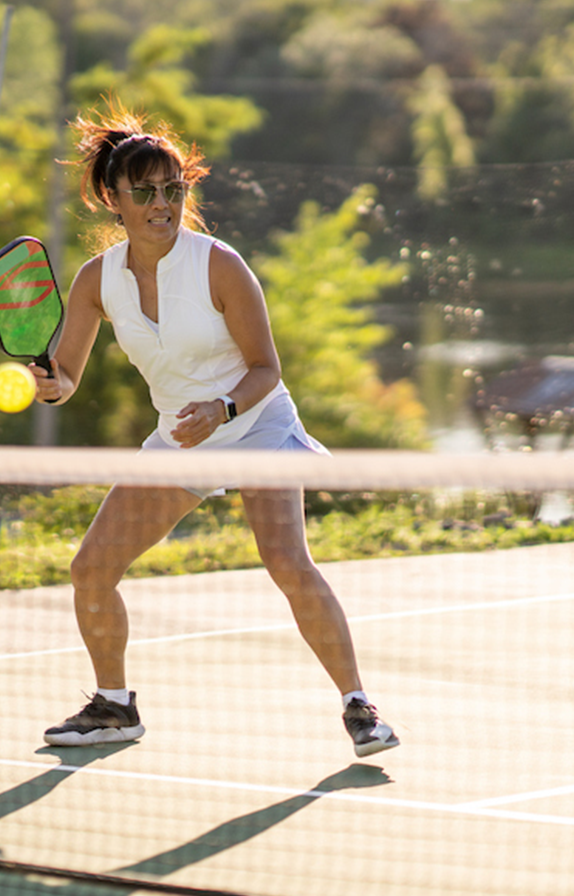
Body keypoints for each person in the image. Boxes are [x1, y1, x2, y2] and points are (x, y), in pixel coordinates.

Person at [30, 105, 399, 759]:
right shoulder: (97, 282)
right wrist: (52, 384)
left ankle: (359, 706)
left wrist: (223, 410)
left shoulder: (219, 265)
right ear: (112, 199)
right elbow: (67, 374)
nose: (163, 203)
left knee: (286, 561)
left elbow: (266, 369)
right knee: (91, 568)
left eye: (174, 189)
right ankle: (114, 705)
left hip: (254, 423)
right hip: (181, 438)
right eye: (144, 191)